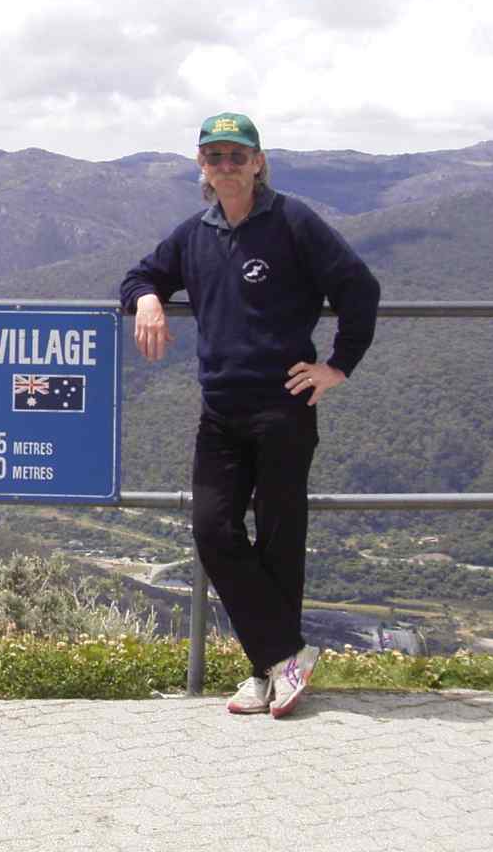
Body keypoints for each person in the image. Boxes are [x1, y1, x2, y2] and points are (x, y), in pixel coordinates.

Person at [120, 112, 380, 718]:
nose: (227, 166)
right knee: (213, 530)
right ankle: (285, 658)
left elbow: (358, 288)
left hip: (284, 408)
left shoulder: (292, 221)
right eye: (215, 156)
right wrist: (151, 299)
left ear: (259, 162)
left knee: (280, 540)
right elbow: (139, 274)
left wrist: (337, 365)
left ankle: (265, 674)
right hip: (221, 412)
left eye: (238, 156)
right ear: (201, 166)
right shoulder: (195, 233)